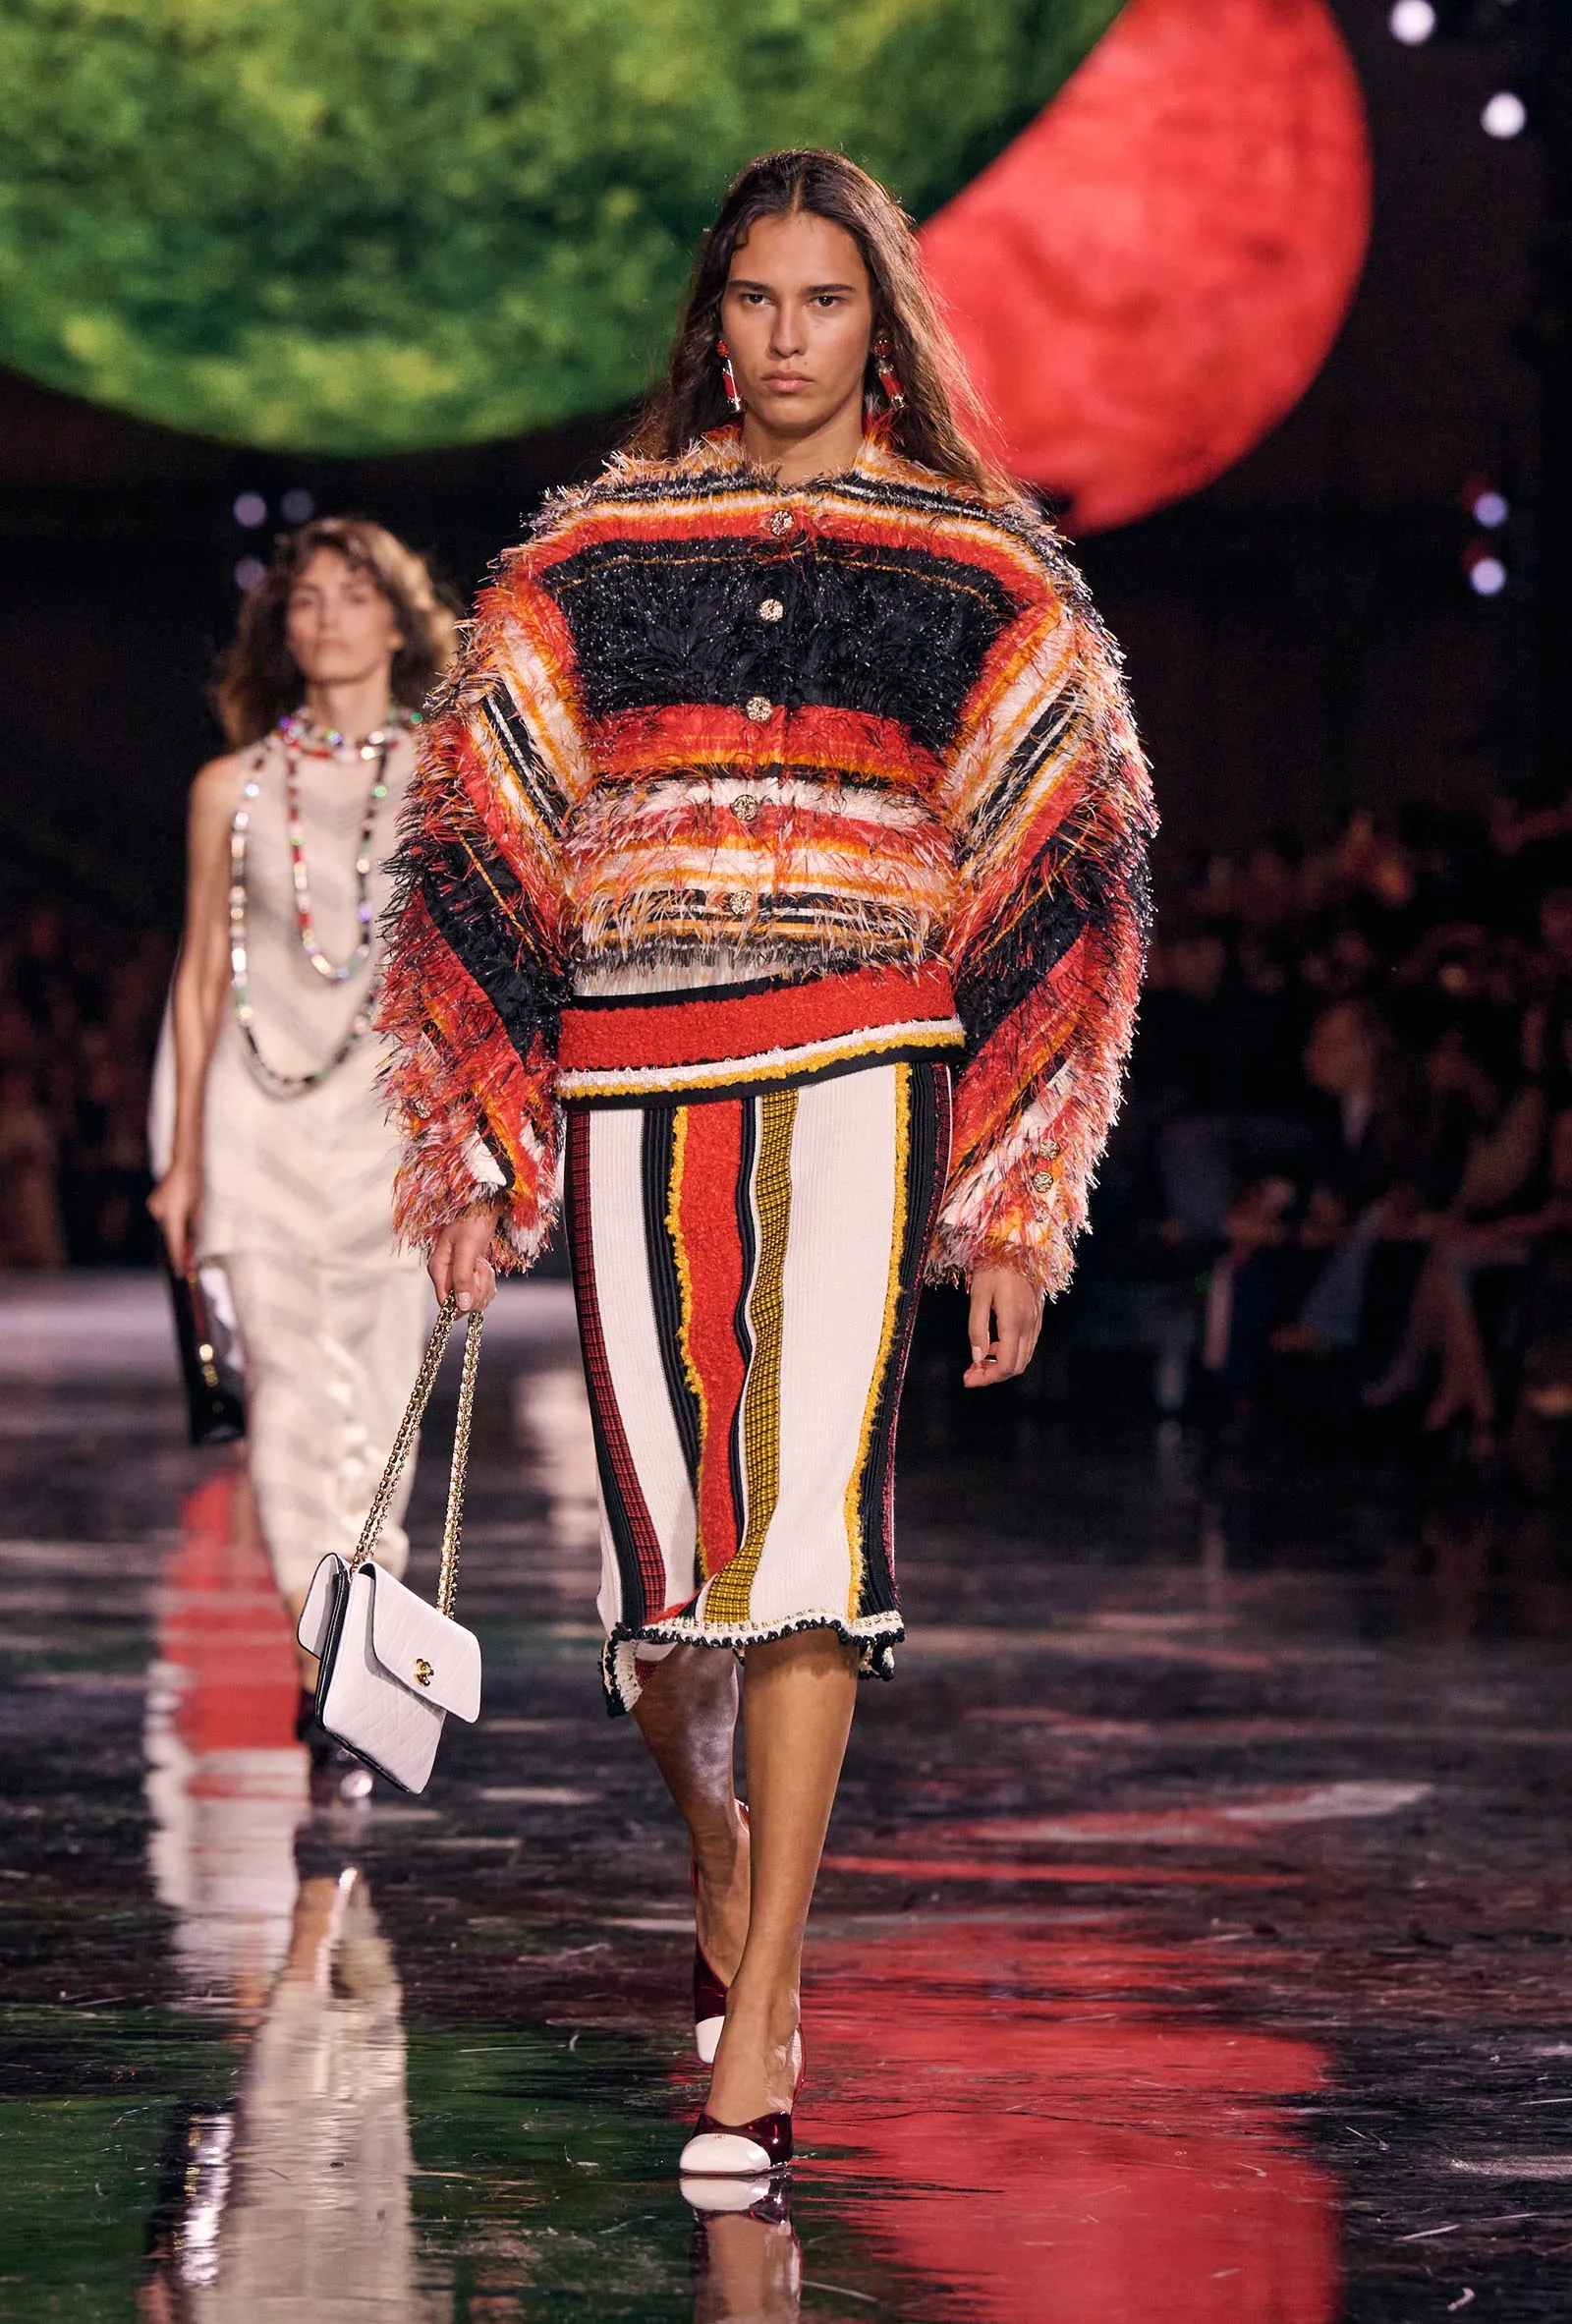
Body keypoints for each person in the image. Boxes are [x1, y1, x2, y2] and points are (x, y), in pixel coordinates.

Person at [379, 149, 1154, 2173]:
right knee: (667, 1592)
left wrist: (1016, 1196)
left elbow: (1065, 878)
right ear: (712, 320)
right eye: (755, 299)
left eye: (825, 300)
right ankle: (716, 1844)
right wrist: (473, 1152)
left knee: (807, 1549)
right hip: (631, 1080)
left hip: (865, 1070)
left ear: (879, 324)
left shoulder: (976, 569)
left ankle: (766, 2013)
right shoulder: (595, 556)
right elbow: (478, 839)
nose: (788, 337)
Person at [148, 518, 457, 1802]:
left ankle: (355, 1651)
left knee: (375, 1408)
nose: (328, 618)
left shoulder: (449, 777)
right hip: (257, 1120)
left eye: (353, 595)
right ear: (284, 627)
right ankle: (323, 1656)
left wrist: (476, 1148)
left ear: (398, 620)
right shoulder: (231, 788)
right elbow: (199, 976)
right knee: (286, 1398)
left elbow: (467, 974)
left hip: (391, 1126)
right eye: (307, 599)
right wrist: (179, 1159)